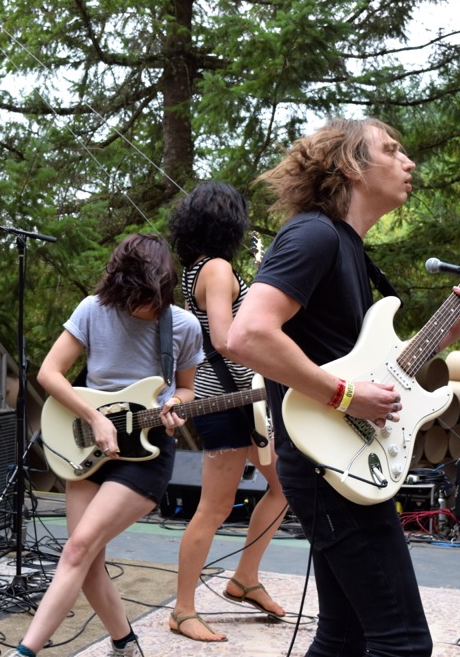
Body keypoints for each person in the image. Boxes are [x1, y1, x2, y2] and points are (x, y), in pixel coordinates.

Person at [225, 117, 460, 656]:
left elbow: (366, 372)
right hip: (329, 465)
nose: (408, 161)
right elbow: (247, 335)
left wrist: (446, 333)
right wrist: (344, 398)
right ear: (351, 165)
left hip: (335, 460)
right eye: (391, 150)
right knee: (404, 644)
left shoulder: (346, 247)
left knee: (343, 638)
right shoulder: (314, 233)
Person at [0, 233, 204, 657]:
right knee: (88, 564)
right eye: (139, 298)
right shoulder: (93, 309)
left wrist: (177, 404)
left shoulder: (183, 325)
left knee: (78, 548)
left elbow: (188, 389)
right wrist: (94, 418)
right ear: (122, 287)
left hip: (146, 449)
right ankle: (126, 646)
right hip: (86, 443)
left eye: (155, 298)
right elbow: (50, 373)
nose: (147, 307)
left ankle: (24, 652)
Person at [164, 181, 289, 642]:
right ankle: (182, 610)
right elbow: (223, 338)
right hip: (229, 400)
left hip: (241, 400)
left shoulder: (195, 269)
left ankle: (245, 578)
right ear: (229, 221)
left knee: (283, 485)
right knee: (213, 509)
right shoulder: (216, 269)